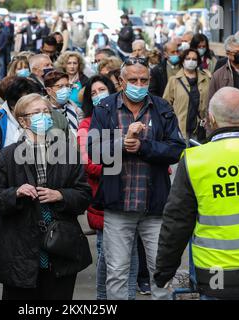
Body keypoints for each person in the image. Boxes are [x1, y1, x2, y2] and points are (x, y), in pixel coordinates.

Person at [155, 87, 239, 300]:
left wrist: (164, 271)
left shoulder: (195, 160)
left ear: (211, 119)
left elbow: (177, 223)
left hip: (218, 277)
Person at [88, 57, 186, 300]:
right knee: (118, 272)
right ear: (121, 82)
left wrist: (143, 146)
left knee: (161, 272)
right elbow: (94, 150)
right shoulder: (105, 109)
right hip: (118, 208)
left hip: (154, 209)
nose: (139, 84)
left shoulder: (162, 108)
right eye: (133, 80)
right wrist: (122, 143)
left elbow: (176, 149)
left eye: (143, 80)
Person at [0, 93, 92, 300]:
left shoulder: (68, 152)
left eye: (47, 111)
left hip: (60, 249)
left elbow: (84, 195)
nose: (44, 116)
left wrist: (61, 195)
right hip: (20, 250)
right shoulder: (8, 155)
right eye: (37, 112)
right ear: (22, 120)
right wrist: (15, 192)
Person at [0, 77, 68, 231]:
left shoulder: (45, 119)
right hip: (4, 200)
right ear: (14, 103)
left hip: (40, 199)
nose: (38, 110)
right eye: (29, 103)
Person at [77, 75, 138, 300]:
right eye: (93, 93)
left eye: (102, 90)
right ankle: (103, 299)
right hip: (104, 200)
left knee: (130, 255)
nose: (98, 95)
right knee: (110, 258)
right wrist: (121, 165)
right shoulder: (86, 124)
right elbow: (89, 163)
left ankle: (127, 296)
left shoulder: (126, 115)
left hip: (133, 197)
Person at [163, 48, 211, 143]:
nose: (191, 61)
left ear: (198, 61)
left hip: (200, 128)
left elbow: (211, 100)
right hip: (180, 128)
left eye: (194, 59)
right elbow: (165, 104)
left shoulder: (206, 79)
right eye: (188, 58)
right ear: (183, 61)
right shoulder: (174, 80)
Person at [44, 70, 82, 136]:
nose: (65, 89)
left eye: (67, 86)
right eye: (60, 86)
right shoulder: (43, 111)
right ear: (49, 90)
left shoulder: (74, 107)